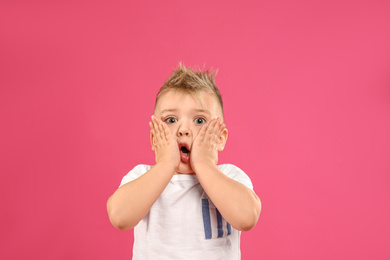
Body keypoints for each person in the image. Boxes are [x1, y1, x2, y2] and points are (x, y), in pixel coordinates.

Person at [107, 63, 261, 259]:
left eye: (199, 120)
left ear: (220, 138)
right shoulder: (143, 176)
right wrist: (165, 164)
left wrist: (204, 164)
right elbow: (119, 217)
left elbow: (247, 217)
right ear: (155, 138)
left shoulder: (229, 176)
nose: (183, 130)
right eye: (171, 120)